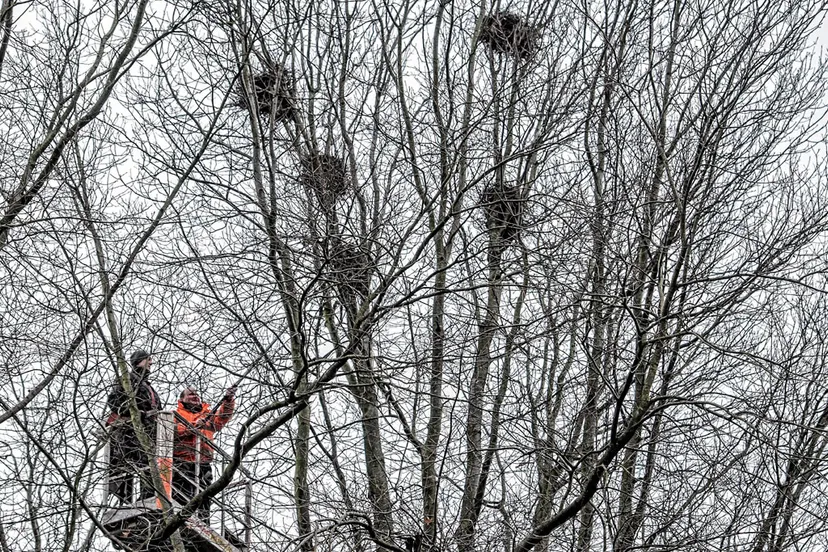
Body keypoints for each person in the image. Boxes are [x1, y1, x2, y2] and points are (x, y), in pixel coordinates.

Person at [106, 349, 162, 504]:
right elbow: (114, 403)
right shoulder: (128, 380)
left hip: (149, 433)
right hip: (130, 433)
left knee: (149, 466)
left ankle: (147, 497)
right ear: (139, 361)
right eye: (148, 359)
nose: (151, 363)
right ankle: (125, 502)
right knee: (128, 468)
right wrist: (138, 414)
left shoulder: (147, 386)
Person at [172, 384, 236, 519]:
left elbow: (222, 418)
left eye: (196, 394)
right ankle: (181, 520)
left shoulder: (207, 415)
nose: (195, 396)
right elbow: (173, 431)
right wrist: (193, 427)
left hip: (203, 463)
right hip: (182, 462)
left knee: (204, 496)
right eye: (190, 394)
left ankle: (203, 522)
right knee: (183, 495)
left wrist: (228, 400)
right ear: (182, 399)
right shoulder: (176, 415)